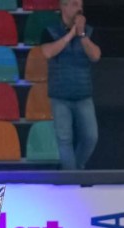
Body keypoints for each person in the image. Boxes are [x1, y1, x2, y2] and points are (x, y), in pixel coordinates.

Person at [40, 0, 101, 170]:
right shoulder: (50, 31)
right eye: (74, 4)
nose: (79, 8)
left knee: (91, 137)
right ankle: (72, 178)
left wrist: (81, 35)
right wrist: (70, 34)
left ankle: (76, 169)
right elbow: (47, 52)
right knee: (64, 139)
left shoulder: (89, 31)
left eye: (80, 5)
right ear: (63, 7)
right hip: (60, 96)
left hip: (83, 95)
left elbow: (95, 56)